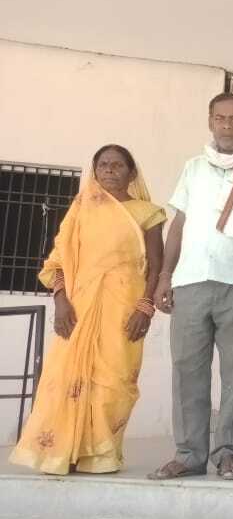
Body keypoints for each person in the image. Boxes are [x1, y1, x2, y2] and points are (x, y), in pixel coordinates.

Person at [9, 145, 165, 475]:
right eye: (103, 165)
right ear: (95, 172)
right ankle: (63, 452)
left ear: (131, 173)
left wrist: (146, 306)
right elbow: (59, 261)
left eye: (117, 165)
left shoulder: (148, 212)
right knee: (66, 376)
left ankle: (101, 454)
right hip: (78, 306)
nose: (109, 170)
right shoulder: (81, 209)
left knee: (114, 379)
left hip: (125, 306)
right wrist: (60, 300)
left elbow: (156, 265)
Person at [147, 93, 233, 481]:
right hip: (190, 281)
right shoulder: (194, 167)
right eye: (220, 118)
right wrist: (165, 275)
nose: (227, 125)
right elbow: (178, 225)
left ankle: (229, 453)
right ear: (210, 122)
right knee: (187, 370)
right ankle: (189, 454)